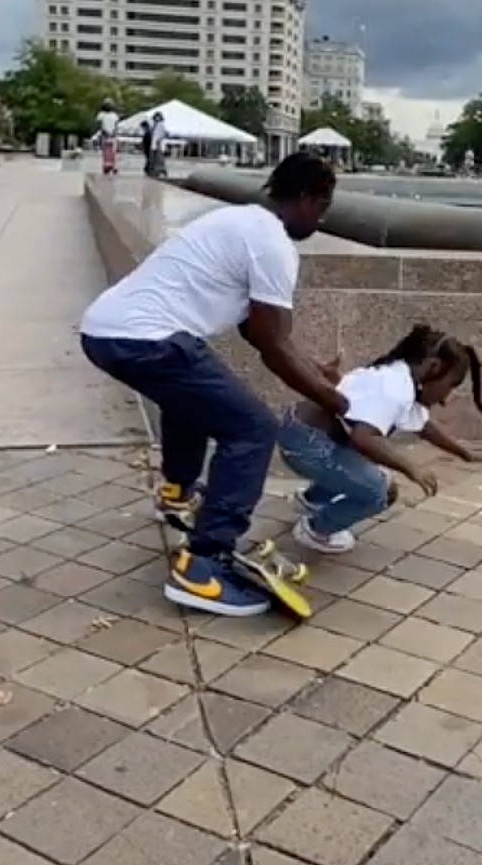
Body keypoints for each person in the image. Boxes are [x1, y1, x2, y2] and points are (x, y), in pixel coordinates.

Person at [78, 152, 348, 617]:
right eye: (321, 209)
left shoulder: (239, 221)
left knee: (195, 399)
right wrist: (335, 400)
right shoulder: (274, 244)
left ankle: (179, 495)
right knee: (253, 429)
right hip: (146, 339)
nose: (319, 221)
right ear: (306, 198)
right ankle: (202, 565)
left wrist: (316, 370)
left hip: (107, 331)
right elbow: (273, 348)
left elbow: (261, 332)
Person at [278, 323, 482, 555]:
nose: (447, 397)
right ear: (433, 367)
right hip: (308, 445)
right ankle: (315, 530)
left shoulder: (397, 374)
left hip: (300, 432)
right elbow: (363, 438)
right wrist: (410, 468)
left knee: (364, 464)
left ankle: (310, 501)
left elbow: (424, 426)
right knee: (381, 491)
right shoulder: (395, 389)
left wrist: (461, 452)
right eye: (450, 386)